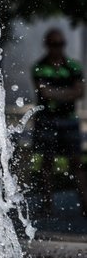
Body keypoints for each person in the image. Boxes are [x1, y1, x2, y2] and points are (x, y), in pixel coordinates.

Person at [32, 28, 87, 216]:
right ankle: (48, 205)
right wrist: (67, 94)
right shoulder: (40, 67)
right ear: (47, 45)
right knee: (47, 163)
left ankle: (85, 204)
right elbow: (43, 92)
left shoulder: (73, 66)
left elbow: (79, 92)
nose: (58, 48)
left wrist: (55, 94)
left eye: (61, 44)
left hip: (68, 120)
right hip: (47, 119)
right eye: (54, 44)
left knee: (77, 162)